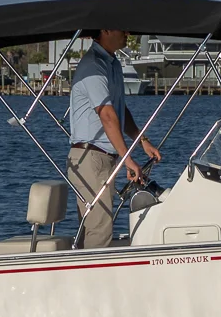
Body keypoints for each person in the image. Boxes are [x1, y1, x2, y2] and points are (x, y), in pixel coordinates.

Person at [67, 29, 162, 249]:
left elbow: (119, 111)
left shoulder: (113, 64)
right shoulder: (94, 66)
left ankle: (83, 275)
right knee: (99, 228)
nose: (127, 33)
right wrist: (128, 160)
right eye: (122, 28)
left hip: (102, 157)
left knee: (95, 225)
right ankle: (92, 280)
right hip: (90, 157)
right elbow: (107, 116)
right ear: (105, 31)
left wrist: (143, 141)